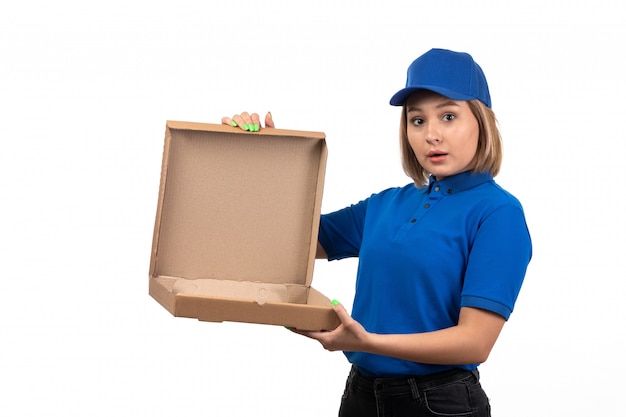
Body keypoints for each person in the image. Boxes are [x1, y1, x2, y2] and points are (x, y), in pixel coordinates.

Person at [222, 48, 532, 417]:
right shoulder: (386, 205)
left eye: (448, 116)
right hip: (361, 395)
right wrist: (267, 160)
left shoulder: (498, 213)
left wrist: (369, 342)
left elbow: (475, 343)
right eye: (417, 121)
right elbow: (289, 240)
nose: (431, 134)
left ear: (481, 121)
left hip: (440, 404)